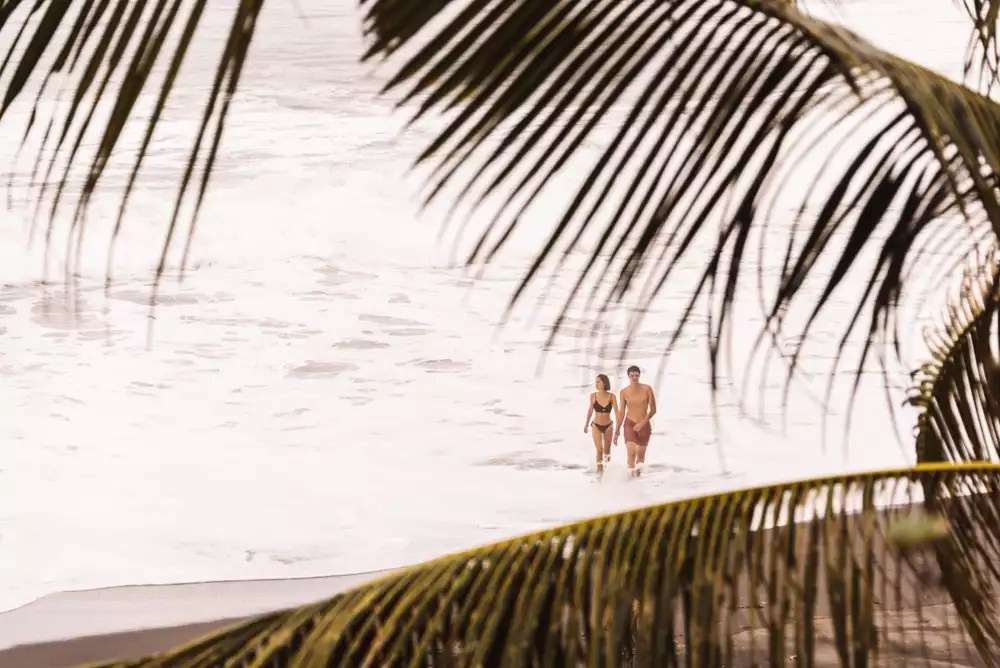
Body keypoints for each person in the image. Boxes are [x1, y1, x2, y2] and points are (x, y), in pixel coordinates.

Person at [615, 365, 656, 476]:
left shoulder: (647, 389)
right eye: (632, 375)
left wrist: (642, 423)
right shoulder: (624, 392)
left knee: (640, 457)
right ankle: (630, 479)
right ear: (628, 376)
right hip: (629, 424)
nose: (634, 377)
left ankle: (637, 480)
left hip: (644, 425)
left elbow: (653, 410)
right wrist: (617, 431)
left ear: (639, 375)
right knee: (631, 453)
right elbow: (622, 412)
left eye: (636, 375)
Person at [583, 373, 620, 471]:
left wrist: (618, 429)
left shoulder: (612, 396)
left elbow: (617, 413)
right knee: (599, 450)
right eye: (596, 382)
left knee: (607, 452)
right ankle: (599, 472)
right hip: (596, 425)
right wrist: (586, 424)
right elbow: (590, 410)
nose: (596, 384)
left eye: (598, 382)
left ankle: (607, 471)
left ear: (604, 383)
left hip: (608, 426)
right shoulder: (593, 396)